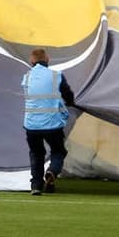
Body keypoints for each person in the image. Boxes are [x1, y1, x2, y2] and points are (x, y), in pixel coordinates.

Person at [22, 48, 75, 196]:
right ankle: (52, 171)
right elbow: (67, 93)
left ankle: (36, 186)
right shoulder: (56, 75)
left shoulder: (26, 77)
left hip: (31, 124)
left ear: (31, 61)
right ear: (48, 60)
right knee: (59, 151)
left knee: (36, 153)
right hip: (52, 124)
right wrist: (71, 103)